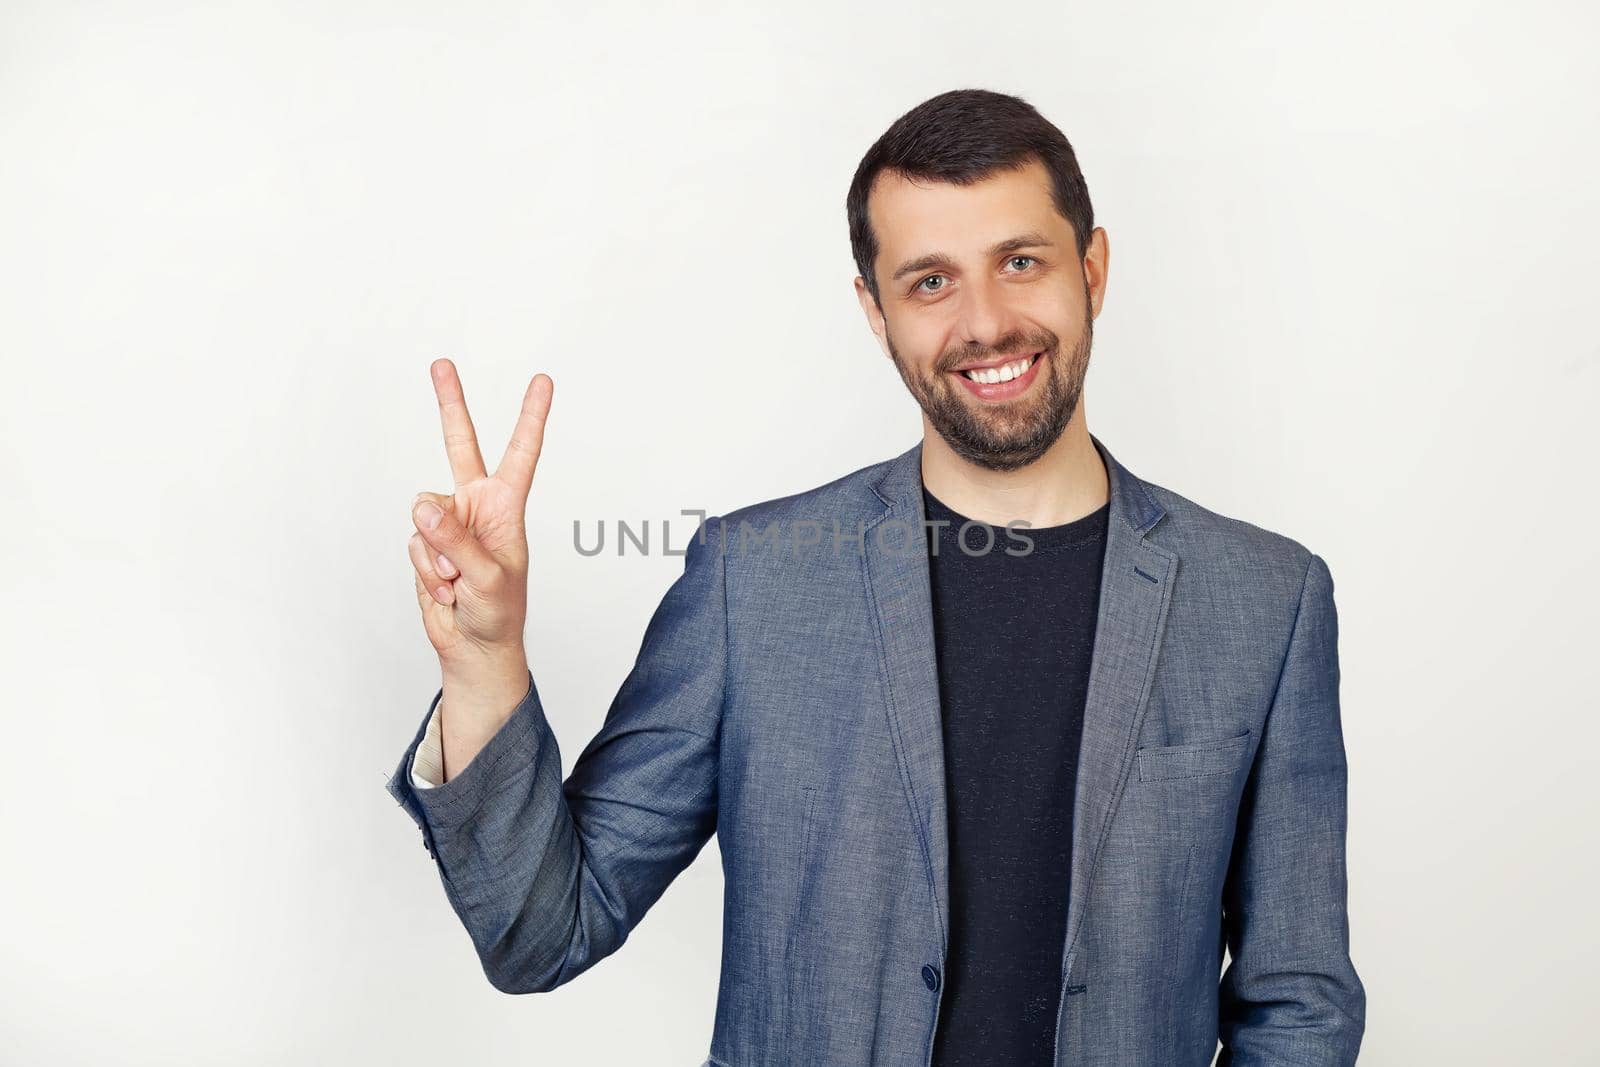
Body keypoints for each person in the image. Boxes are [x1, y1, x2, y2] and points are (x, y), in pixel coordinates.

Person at [387, 88, 1366, 1066]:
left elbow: (1300, 1005)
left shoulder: (1266, 599)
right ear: (875, 310)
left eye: (1019, 262)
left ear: (1093, 269)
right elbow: (540, 932)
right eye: (930, 281)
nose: (986, 322)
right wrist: (484, 658)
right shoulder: (749, 584)